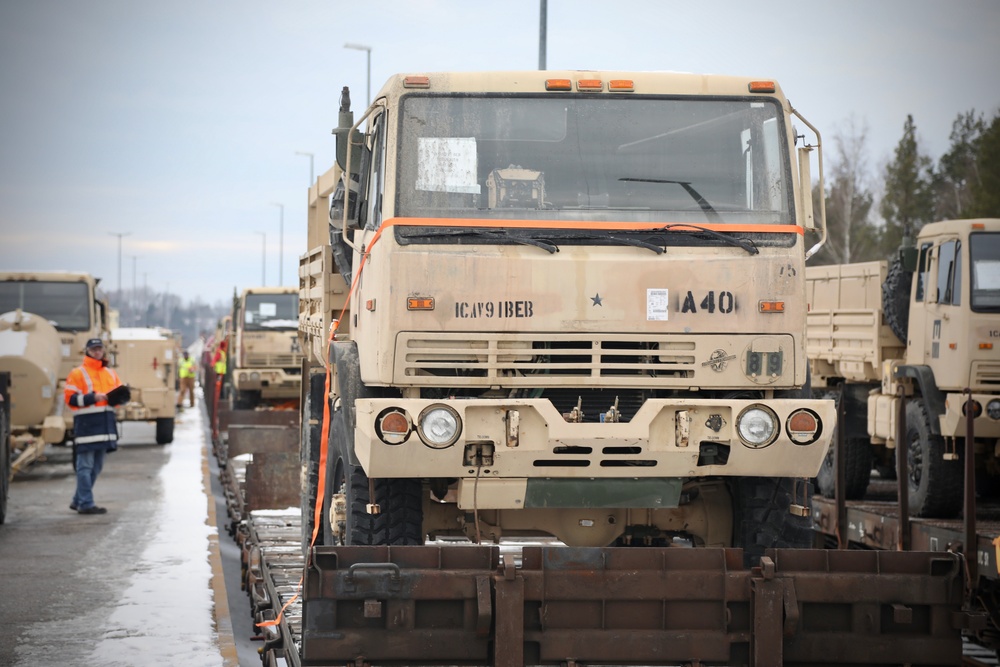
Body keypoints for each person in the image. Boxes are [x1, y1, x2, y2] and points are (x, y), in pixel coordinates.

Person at [64, 338, 123, 515]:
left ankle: (78, 499)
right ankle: (86, 503)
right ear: (87, 351)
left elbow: (117, 398)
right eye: (93, 349)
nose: (97, 352)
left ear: (103, 351)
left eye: (99, 349)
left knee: (96, 467)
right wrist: (92, 398)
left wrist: (121, 398)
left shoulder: (110, 373)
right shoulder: (77, 373)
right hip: (87, 427)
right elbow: (70, 399)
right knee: (85, 467)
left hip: (105, 427)